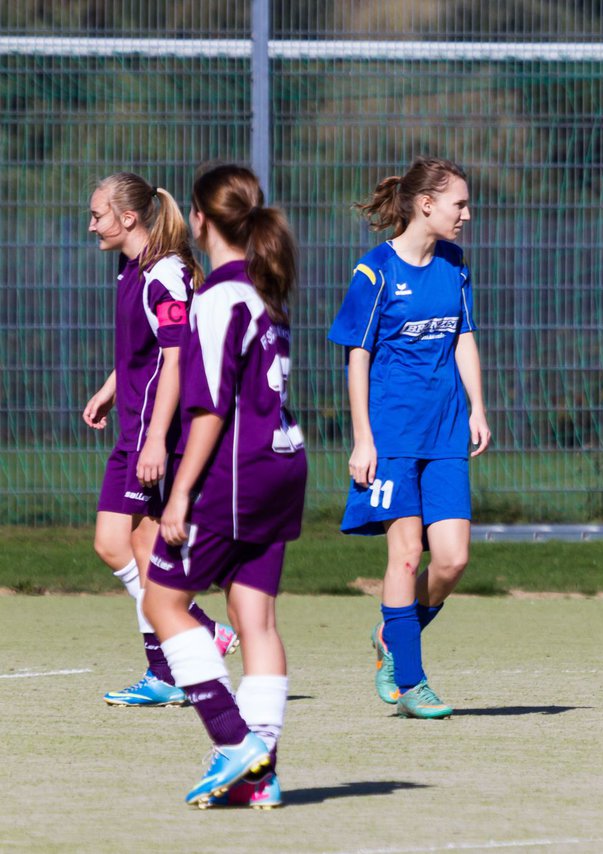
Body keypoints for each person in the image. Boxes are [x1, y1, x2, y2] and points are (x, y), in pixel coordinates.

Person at [142, 163, 306, 807]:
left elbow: (210, 408)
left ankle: (234, 741)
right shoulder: (267, 294)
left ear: (201, 220)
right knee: (255, 618)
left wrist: (180, 493)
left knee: (163, 602)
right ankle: (260, 779)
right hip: (283, 468)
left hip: (236, 477)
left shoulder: (216, 300)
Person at [329, 156, 491, 720]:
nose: (467, 214)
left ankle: (391, 637)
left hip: (446, 430)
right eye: (459, 204)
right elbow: (357, 357)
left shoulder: (454, 263)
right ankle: (412, 682)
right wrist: (363, 439)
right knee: (404, 557)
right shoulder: (374, 272)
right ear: (426, 205)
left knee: (451, 561)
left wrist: (476, 406)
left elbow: (463, 335)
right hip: (393, 435)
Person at [82, 172, 237, 707]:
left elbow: (175, 360)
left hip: (158, 434)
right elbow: (141, 354)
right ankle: (194, 632)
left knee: (143, 547)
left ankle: (173, 661)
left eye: (98, 214)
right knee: (116, 544)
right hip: (136, 428)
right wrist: (109, 389)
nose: (91, 224)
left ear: (128, 218)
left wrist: (153, 442)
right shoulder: (133, 268)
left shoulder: (166, 274)